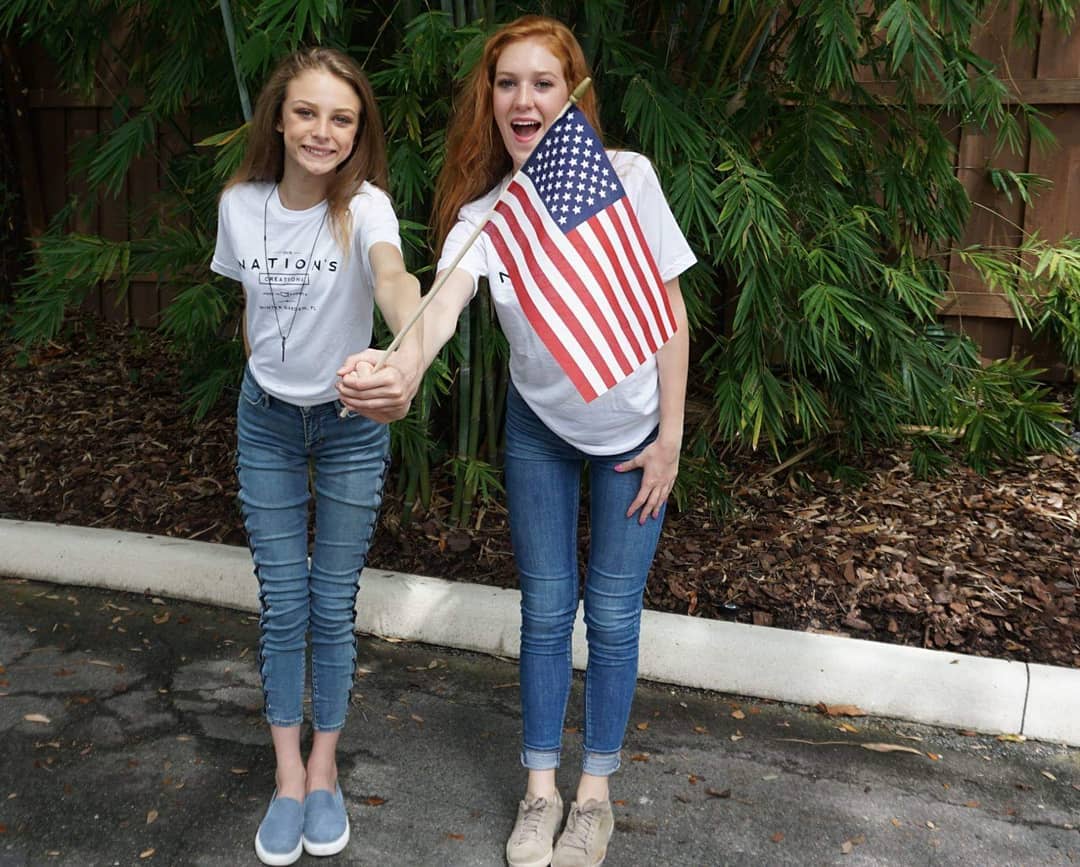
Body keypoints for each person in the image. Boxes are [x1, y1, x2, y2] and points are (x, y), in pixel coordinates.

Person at [342, 15, 694, 867]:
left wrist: (672, 439)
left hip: (633, 429)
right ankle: (541, 791)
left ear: (572, 95)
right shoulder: (487, 216)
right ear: (490, 98)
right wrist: (401, 365)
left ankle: (594, 797)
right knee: (545, 609)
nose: (523, 98)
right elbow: (440, 305)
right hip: (538, 427)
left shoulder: (626, 179)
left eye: (543, 82)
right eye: (507, 83)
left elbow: (670, 310)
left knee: (613, 614)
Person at [210, 47, 421, 866]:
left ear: (359, 131)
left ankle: (325, 767)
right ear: (278, 117)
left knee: (331, 603)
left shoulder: (365, 207)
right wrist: (269, 369)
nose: (322, 131)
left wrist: (408, 345)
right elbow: (253, 306)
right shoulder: (240, 205)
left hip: (348, 424)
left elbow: (394, 277)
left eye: (342, 118)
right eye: (306, 112)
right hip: (266, 419)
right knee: (283, 601)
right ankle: (288, 775)